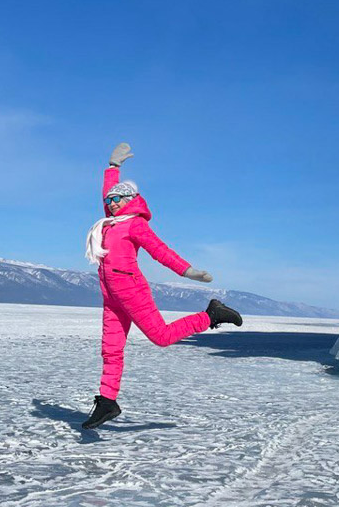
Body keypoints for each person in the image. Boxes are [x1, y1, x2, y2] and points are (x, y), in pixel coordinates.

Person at [82, 141, 242, 429]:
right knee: (110, 350)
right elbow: (107, 193)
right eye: (109, 201)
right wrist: (113, 168)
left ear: (131, 200)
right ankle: (107, 401)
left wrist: (188, 271)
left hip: (131, 291)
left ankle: (212, 315)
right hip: (110, 298)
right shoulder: (109, 222)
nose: (112, 203)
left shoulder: (134, 224)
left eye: (118, 200)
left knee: (162, 336)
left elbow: (160, 251)